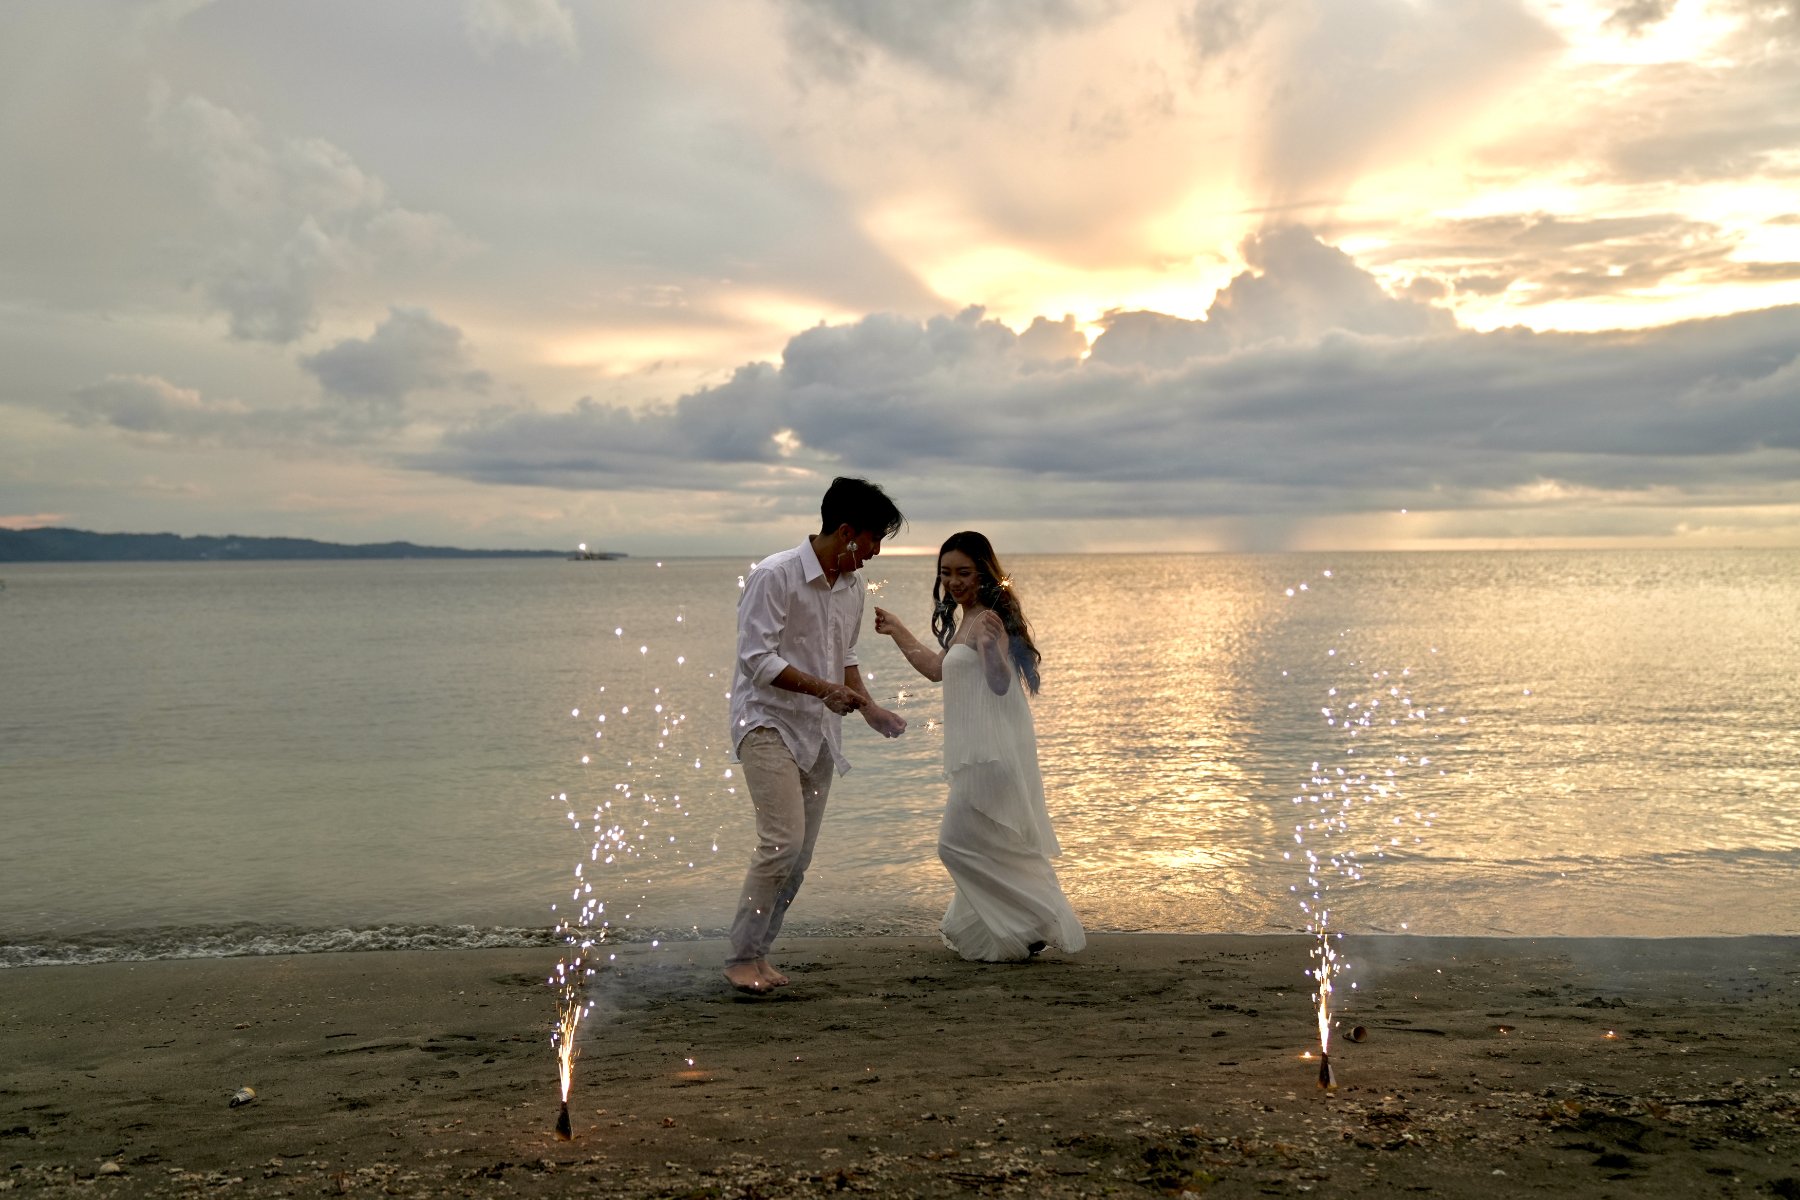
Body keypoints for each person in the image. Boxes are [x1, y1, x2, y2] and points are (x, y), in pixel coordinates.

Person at [723, 477, 908, 994]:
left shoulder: (852, 587)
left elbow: (844, 656)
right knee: (781, 843)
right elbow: (756, 660)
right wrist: (825, 690)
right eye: (873, 539)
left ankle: (758, 953)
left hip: (820, 730)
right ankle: (739, 957)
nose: (875, 552)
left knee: (799, 859)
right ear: (846, 532)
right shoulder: (774, 575)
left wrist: (869, 709)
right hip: (766, 721)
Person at [874, 531, 1084, 962]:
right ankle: (1025, 928)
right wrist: (897, 629)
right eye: (946, 573)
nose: (953, 581)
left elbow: (1000, 682)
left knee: (953, 845)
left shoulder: (988, 620)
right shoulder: (966, 619)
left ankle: (1040, 916)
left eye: (963, 572)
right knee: (993, 847)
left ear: (983, 574)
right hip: (979, 755)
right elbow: (936, 669)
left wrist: (990, 649)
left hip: (989, 757)